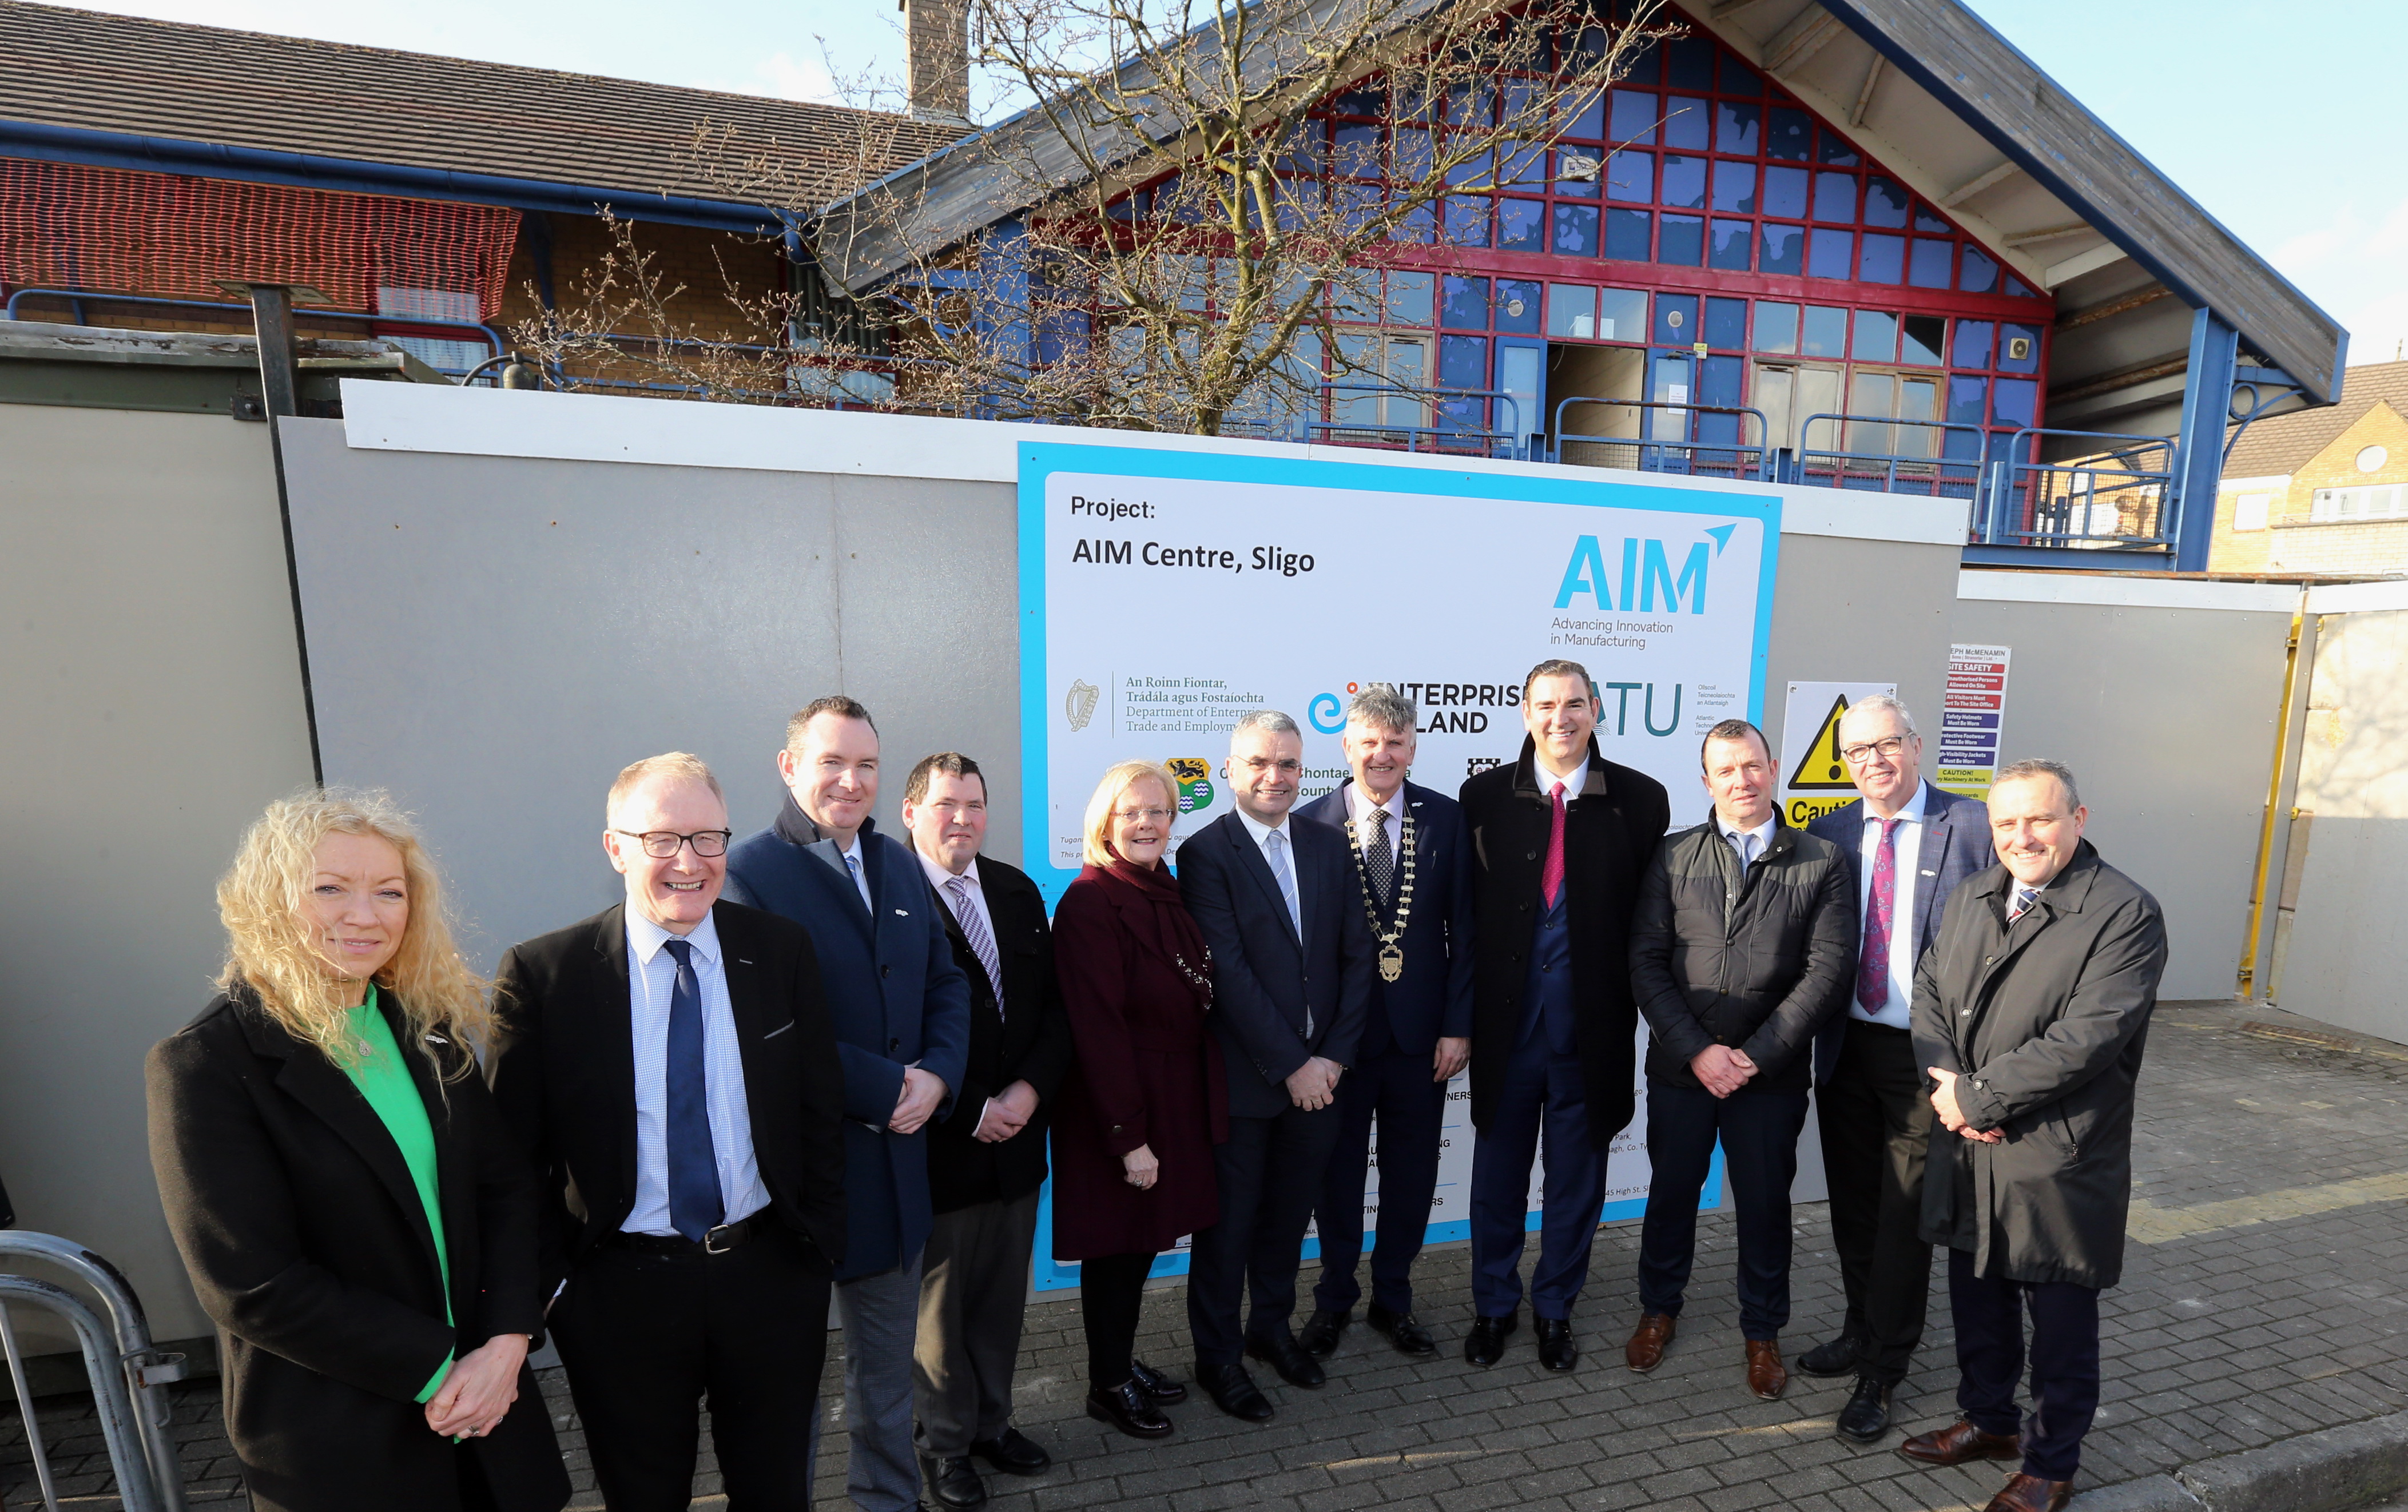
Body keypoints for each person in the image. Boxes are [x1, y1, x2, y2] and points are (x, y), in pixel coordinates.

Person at [148, 790, 570, 1512]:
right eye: (330, 889)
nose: (366, 914)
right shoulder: (204, 1064)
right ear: (270, 900)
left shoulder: (423, 1026)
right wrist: (443, 1370)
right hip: (346, 1443)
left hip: (491, 1416)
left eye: (389, 892)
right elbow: (251, 1283)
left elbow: (503, 1189)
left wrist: (506, 1341)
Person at [488, 754, 847, 1512]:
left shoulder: (779, 950)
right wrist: (557, 1290)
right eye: (662, 840)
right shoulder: (544, 976)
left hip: (768, 1278)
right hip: (619, 1295)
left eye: (708, 838)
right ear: (615, 847)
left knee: (777, 1491)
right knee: (643, 1496)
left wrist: (815, 1249)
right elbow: (512, 1162)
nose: (689, 862)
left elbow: (819, 1108)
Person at [721, 697, 971, 1512]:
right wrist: (886, 1088)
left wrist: (936, 1076)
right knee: (784, 1394)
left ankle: (887, 1505)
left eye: (866, 764)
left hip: (895, 1175)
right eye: (832, 762)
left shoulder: (898, 863)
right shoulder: (748, 872)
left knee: (885, 1388)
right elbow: (759, 1030)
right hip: (794, 1186)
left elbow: (944, 981)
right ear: (790, 766)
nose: (851, 780)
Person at [1898, 760, 2165, 1512]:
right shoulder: (1972, 895)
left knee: (2057, 1322)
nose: (2022, 836)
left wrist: (1978, 1099)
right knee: (1975, 1296)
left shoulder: (2123, 913)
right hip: (1967, 1139)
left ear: (2078, 821)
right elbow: (1928, 996)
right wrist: (1948, 1088)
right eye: (2006, 823)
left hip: (2054, 1152)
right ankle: (1988, 1423)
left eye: (2040, 819)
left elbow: (2088, 1037)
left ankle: (2051, 1462)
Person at [1624, 720, 1854, 1400]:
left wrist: (1751, 1058)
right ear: (1706, 781)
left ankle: (1763, 1332)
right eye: (1725, 770)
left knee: (1763, 1207)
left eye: (1751, 766)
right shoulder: (1671, 856)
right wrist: (1698, 1052)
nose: (1741, 780)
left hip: (1770, 1077)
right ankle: (1658, 1311)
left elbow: (1827, 972)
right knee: (1669, 1197)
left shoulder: (1819, 859)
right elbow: (1645, 961)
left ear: (1773, 767)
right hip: (1681, 1070)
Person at [1457, 660, 1669, 1372]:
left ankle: (1554, 1309)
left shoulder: (1642, 800)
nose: (1561, 717)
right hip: (1506, 1034)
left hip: (1591, 1034)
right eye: (1546, 704)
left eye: (1574, 704)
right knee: (1495, 1184)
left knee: (1576, 1186)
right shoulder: (1481, 797)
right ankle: (1493, 1307)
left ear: (1596, 710)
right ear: (1524, 713)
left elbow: (1649, 924)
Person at [1796, 695, 1992, 1441]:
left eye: (1886, 745)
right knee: (1852, 1201)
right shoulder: (1830, 833)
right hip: (1845, 1047)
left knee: (1904, 1214)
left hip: (1926, 1058)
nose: (1872, 761)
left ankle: (1883, 1369)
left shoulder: (1972, 825)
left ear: (1915, 745)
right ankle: (1856, 1327)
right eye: (1856, 753)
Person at [1175, 710, 1374, 1421]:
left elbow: (1357, 959)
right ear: (1230, 769)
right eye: (1260, 762)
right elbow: (1226, 971)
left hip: (1322, 1083)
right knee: (1228, 1230)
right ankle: (1218, 1357)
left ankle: (1270, 1331)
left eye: (1288, 764)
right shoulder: (1204, 853)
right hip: (1248, 1083)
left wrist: (1333, 1059)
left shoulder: (1329, 844)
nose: (1275, 776)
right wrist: (1293, 1063)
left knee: (1289, 1220)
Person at [898, 752, 1075, 1510]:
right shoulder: (890, 900)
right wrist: (974, 1107)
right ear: (911, 813)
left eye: (974, 803)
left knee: (1002, 1302)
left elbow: (1053, 1010)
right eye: (945, 804)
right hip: (939, 1147)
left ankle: (992, 1425)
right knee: (938, 1316)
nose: (961, 818)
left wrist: (1030, 1092)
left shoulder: (1015, 888)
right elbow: (892, 1036)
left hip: (1017, 1144)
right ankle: (943, 1444)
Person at [1292, 687, 1475, 1360]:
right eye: (1368, 741)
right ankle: (1334, 1298)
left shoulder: (1446, 820)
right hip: (1339, 1045)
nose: (1381, 754)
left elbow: (1466, 928)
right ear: (1346, 746)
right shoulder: (1309, 824)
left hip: (1422, 1042)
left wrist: (1459, 1026)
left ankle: (1393, 1299)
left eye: (1395, 743)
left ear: (1413, 749)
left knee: (1410, 1176)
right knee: (1336, 1178)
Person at [1048, 759, 1223, 1440]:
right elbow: (1097, 1027)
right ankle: (1107, 1384)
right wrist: (1128, 1136)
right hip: (1120, 1103)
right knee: (1116, 1249)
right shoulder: (1093, 900)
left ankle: (1118, 1359)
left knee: (1144, 1241)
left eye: (1158, 811)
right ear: (1104, 824)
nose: (1147, 823)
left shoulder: (1162, 890)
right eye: (1132, 813)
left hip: (1171, 1092)